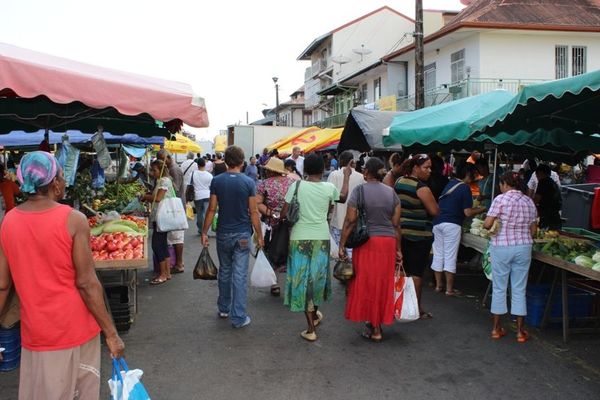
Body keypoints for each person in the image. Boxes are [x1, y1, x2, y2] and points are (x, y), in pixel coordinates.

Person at [0, 151, 124, 399]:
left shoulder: (9, 221)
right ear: (55, 182)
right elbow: (87, 283)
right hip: (74, 329)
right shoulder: (73, 220)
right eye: (62, 175)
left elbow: (3, 285)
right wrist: (111, 334)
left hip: (36, 332)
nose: (65, 180)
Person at [281, 154, 351, 342]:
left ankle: (311, 328)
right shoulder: (329, 188)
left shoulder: (296, 186)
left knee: (303, 281)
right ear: (323, 170)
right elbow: (343, 198)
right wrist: (346, 177)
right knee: (317, 279)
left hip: (299, 239)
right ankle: (315, 315)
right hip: (321, 238)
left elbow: (284, 213)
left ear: (304, 170)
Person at [339, 158, 402, 342]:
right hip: (388, 243)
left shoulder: (359, 191)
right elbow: (396, 224)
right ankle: (376, 322)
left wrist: (342, 244)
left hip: (368, 243)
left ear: (366, 172)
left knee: (367, 283)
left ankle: (375, 328)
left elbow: (351, 220)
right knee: (382, 283)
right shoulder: (392, 193)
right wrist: (399, 249)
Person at [202, 146, 263, 328]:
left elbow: (212, 209)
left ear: (226, 161)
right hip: (243, 234)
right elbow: (253, 211)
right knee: (239, 275)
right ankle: (238, 317)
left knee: (225, 271)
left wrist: (205, 232)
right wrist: (259, 234)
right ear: (242, 161)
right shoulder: (248, 182)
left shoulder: (217, 181)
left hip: (223, 233)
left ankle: (223, 308)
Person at [483, 172, 537, 343]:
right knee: (519, 288)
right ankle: (521, 332)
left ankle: (496, 329)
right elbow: (533, 230)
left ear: (505, 183)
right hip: (524, 247)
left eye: (500, 184)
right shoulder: (529, 201)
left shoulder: (500, 199)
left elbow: (487, 224)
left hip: (502, 246)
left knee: (499, 287)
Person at [394, 154, 439, 319]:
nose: (429, 171)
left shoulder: (399, 182)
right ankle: (415, 309)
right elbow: (434, 211)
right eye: (426, 167)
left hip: (401, 233)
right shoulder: (422, 188)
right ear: (415, 167)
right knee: (416, 273)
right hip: (419, 235)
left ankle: (397, 305)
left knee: (402, 270)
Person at [431, 162, 486, 296]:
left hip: (437, 223)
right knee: (450, 256)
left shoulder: (450, 183)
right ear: (468, 174)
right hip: (452, 224)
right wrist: (483, 209)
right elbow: (467, 212)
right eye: (473, 174)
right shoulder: (464, 188)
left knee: (438, 254)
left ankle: (439, 286)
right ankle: (449, 290)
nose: (474, 177)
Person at [256, 157, 294, 296]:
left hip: (271, 224)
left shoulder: (264, 184)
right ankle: (292, 283)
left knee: (271, 250)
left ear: (271, 171)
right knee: (290, 252)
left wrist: (272, 214)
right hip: (291, 223)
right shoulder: (293, 182)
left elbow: (258, 203)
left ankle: (275, 284)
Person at [140, 159, 177, 285]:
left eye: (154, 170)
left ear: (160, 170)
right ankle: (166, 273)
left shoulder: (164, 181)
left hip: (162, 218)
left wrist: (145, 197)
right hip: (162, 218)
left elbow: (158, 198)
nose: (152, 172)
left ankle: (163, 274)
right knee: (162, 244)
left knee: (157, 245)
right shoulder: (163, 180)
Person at [328, 151, 365, 260]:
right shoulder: (361, 177)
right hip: (354, 221)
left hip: (337, 221)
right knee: (352, 253)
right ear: (352, 162)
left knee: (340, 253)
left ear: (341, 161)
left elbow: (330, 200)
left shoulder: (334, 175)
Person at [157, 150, 186, 274]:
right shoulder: (170, 169)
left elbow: (176, 188)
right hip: (173, 207)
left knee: (177, 238)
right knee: (173, 238)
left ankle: (179, 264)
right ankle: (177, 263)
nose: (161, 162)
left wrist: (167, 179)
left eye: (162, 159)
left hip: (175, 207)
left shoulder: (173, 170)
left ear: (168, 158)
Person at [534, 164, 562, 230]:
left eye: (536, 174)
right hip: (555, 215)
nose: (537, 177)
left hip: (547, 216)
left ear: (541, 173)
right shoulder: (553, 183)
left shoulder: (543, 182)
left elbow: (537, 199)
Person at [189, 158, 213, 234]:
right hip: (207, 195)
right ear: (205, 164)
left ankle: (200, 229)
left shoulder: (193, 174)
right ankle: (206, 230)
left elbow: (190, 185)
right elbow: (211, 187)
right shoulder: (209, 175)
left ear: (197, 165)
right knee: (206, 213)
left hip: (197, 196)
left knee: (199, 213)